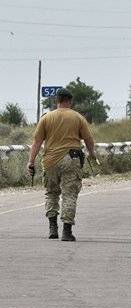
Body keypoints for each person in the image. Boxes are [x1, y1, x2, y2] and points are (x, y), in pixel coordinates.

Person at [27, 88, 96, 241]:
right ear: (70, 101)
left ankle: (52, 228)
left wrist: (31, 162)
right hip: (71, 160)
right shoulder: (78, 117)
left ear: (57, 100)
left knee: (51, 193)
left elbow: (37, 142)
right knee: (69, 194)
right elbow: (88, 139)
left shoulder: (46, 118)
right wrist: (92, 154)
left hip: (50, 161)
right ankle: (67, 231)